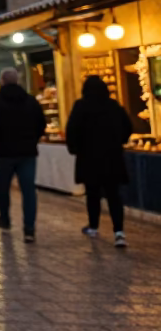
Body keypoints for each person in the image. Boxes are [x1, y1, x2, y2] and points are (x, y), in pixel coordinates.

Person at [66, 75, 133, 248]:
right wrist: (120, 141)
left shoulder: (80, 106)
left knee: (93, 194)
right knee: (114, 196)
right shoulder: (113, 106)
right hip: (112, 157)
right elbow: (127, 127)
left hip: (89, 158)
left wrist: (75, 148)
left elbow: (72, 130)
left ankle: (94, 227)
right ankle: (119, 232)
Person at [0, 68, 47, 243]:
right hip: (27, 152)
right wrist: (32, 139)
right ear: (17, 81)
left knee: (3, 188)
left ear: (2, 81)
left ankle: (5, 219)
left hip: (3, 153)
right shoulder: (31, 101)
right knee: (28, 190)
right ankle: (29, 228)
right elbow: (41, 124)